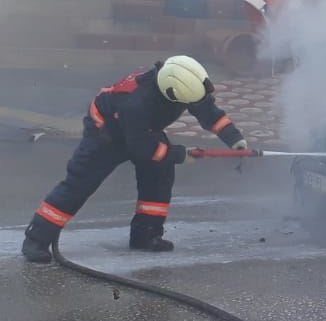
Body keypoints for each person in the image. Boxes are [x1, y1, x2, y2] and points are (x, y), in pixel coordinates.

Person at [21, 56, 247, 262]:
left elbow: (206, 110)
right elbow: (142, 149)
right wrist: (179, 155)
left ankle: (146, 236)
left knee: (159, 178)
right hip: (107, 135)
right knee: (80, 183)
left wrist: (234, 139)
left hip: (145, 130)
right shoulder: (135, 102)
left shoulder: (183, 82)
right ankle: (36, 239)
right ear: (170, 93)